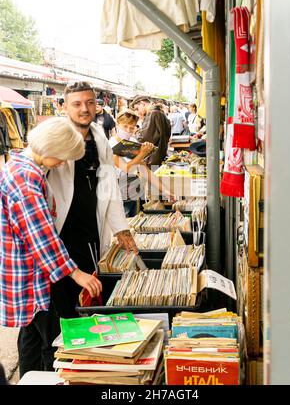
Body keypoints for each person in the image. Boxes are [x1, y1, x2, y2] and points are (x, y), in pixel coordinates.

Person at [0, 117, 102, 378]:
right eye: (62, 156)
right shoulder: (26, 179)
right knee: (51, 341)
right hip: (32, 273)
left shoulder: (21, 165)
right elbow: (41, 236)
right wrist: (75, 272)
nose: (62, 163)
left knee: (31, 335)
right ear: (51, 147)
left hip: (25, 270)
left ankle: (29, 379)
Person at [47, 81, 138, 319]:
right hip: (60, 232)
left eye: (89, 102)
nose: (84, 109)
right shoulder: (55, 136)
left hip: (91, 231)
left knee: (88, 295)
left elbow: (110, 186)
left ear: (97, 106)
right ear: (65, 107)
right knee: (59, 301)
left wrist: (121, 228)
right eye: (77, 104)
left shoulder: (99, 137)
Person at [108, 109, 174, 217]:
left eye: (132, 127)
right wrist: (142, 153)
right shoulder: (111, 144)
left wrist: (165, 191)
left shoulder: (133, 141)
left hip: (134, 191)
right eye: (125, 126)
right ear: (117, 125)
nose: (128, 130)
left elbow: (144, 170)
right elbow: (126, 168)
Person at [130, 95, 171, 167]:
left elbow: (143, 138)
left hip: (153, 159)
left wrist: (136, 131)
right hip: (160, 156)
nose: (137, 111)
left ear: (142, 103)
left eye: (137, 108)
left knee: (152, 177)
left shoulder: (152, 113)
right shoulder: (160, 112)